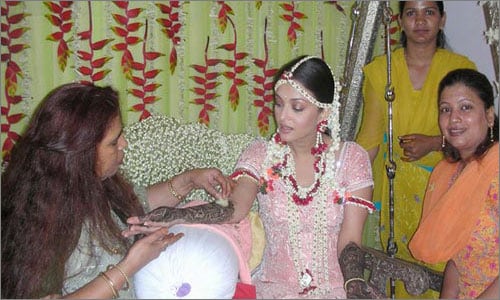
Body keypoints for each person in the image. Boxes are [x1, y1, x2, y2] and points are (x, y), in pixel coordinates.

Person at [126, 55, 384, 298]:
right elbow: (235, 208)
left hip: (335, 291)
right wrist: (175, 215)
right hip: (272, 290)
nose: (282, 116)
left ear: (323, 113)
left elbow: (350, 241)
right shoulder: (262, 154)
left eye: (297, 108)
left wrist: (354, 284)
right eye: (279, 103)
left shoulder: (351, 159)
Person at [1, 82, 234, 299]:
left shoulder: (91, 183)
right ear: (80, 155)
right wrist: (130, 266)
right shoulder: (38, 220)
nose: (124, 144)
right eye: (114, 142)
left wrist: (189, 180)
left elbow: (134, 204)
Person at [355, 1, 476, 297]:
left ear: (442, 19)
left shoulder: (461, 69)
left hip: (447, 191)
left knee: (443, 274)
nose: (420, 20)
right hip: (395, 191)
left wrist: (435, 143)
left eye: (429, 12)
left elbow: (476, 135)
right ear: (400, 21)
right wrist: (340, 177)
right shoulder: (380, 71)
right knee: (400, 277)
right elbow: (369, 138)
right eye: (412, 13)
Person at [409, 69, 499, 299]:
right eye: (445, 109)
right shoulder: (448, 173)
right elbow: (457, 257)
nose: (454, 118)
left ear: (489, 116)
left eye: (465, 107)